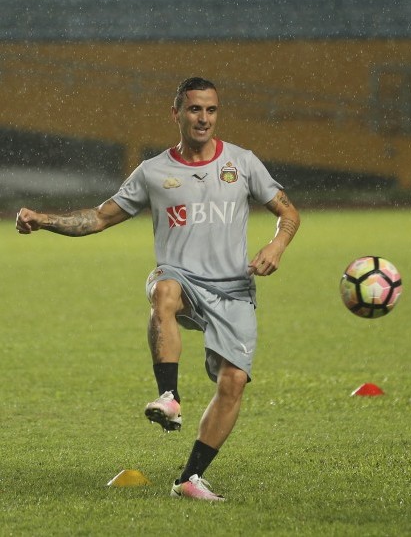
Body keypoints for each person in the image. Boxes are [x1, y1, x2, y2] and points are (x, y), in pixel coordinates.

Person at [15, 77, 300, 501]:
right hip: (182, 278)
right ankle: (168, 395)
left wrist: (277, 244)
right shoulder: (153, 171)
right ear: (176, 114)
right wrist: (45, 220)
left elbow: (288, 212)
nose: (203, 118)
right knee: (163, 289)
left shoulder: (242, 162)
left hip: (233, 288)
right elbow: (99, 217)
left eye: (211, 110)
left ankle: (190, 478)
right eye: (194, 109)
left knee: (233, 382)